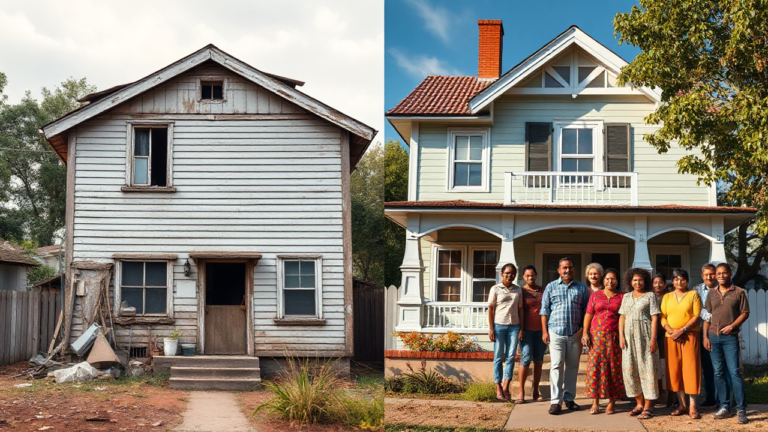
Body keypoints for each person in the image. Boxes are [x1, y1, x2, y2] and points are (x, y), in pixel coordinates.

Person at [541, 257, 591, 415]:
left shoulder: (581, 288)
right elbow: (544, 310)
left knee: (572, 367)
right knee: (556, 366)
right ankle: (555, 402)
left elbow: (587, 312)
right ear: (559, 270)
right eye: (564, 268)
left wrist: (583, 330)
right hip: (556, 333)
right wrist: (544, 331)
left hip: (575, 334)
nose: (567, 270)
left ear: (574, 269)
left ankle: (569, 398)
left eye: (569, 267)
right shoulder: (551, 287)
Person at [704, 263, 750, 424]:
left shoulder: (739, 292)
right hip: (713, 338)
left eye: (724, 273)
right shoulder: (712, 293)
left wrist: (732, 326)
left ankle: (741, 410)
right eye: (718, 273)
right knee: (718, 372)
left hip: (730, 338)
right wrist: (705, 336)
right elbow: (707, 316)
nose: (721, 276)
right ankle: (724, 407)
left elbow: (745, 313)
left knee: (735, 372)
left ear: (730, 274)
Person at [582, 268, 625, 415]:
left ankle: (612, 402)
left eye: (613, 278)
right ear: (603, 280)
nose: (610, 281)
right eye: (607, 278)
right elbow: (589, 314)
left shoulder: (622, 297)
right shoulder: (595, 296)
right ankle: (595, 402)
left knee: (613, 369)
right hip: (596, 338)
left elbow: (623, 318)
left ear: (617, 281)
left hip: (614, 338)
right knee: (595, 368)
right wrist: (585, 334)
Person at [619, 267, 660, 420]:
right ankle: (639, 403)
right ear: (630, 281)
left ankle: (648, 406)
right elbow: (622, 317)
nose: (638, 282)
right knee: (630, 371)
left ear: (645, 281)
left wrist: (653, 339)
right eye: (635, 280)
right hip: (629, 338)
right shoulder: (626, 297)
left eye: (640, 279)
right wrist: (621, 336)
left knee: (647, 369)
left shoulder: (650, 296)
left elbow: (655, 317)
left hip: (645, 336)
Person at [661, 268, 702, 420]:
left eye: (682, 279)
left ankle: (692, 406)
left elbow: (697, 315)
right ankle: (682, 405)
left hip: (690, 335)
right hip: (671, 337)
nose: (679, 282)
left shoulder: (693, 295)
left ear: (687, 280)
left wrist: (683, 329)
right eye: (676, 279)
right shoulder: (666, 297)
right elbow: (662, 317)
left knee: (691, 369)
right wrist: (672, 331)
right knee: (675, 369)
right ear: (673, 281)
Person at [488, 263, 524, 401]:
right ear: (502, 274)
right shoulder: (495, 289)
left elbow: (520, 309)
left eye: (513, 273)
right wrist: (491, 328)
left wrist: (521, 328)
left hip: (514, 326)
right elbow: (491, 309)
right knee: (498, 356)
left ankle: (505, 387)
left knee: (510, 357)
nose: (510, 275)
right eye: (507, 273)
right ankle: (498, 386)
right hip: (499, 325)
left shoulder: (518, 290)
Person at [516, 265, 546, 404]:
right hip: (526, 330)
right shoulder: (521, 291)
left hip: (540, 330)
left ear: (536, 275)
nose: (530, 277)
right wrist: (520, 329)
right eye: (527, 275)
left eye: (532, 275)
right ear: (523, 277)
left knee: (539, 360)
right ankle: (521, 391)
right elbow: (519, 311)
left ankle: (535, 390)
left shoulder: (542, 290)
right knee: (526, 358)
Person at [693, 263, 719, 407]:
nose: (709, 277)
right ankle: (710, 397)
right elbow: (696, 309)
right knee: (707, 366)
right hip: (702, 332)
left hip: (719, 331)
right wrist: (711, 316)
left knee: (721, 367)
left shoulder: (722, 288)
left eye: (712, 274)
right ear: (702, 276)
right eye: (706, 274)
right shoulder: (696, 290)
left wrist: (709, 316)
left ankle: (724, 399)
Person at [651, 273, 675, 408]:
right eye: (655, 283)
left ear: (664, 284)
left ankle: (671, 394)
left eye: (660, 282)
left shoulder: (669, 297)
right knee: (656, 366)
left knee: (667, 365)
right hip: (654, 335)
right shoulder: (649, 296)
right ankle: (658, 394)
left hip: (667, 333)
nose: (657, 285)